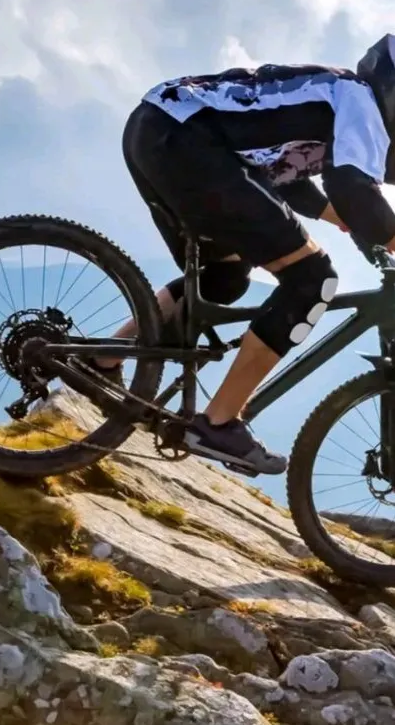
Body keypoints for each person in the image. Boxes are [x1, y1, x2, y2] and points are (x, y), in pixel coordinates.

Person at [84, 34, 395, 476]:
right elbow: (354, 189)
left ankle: (102, 361)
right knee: (313, 279)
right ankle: (218, 423)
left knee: (225, 278)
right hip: (188, 141)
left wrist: (359, 230)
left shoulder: (332, 103)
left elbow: (302, 186)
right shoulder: (359, 102)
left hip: (158, 130)